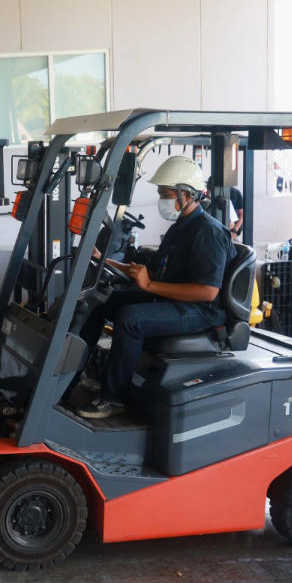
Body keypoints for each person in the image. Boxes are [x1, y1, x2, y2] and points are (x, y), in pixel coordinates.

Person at [74, 156, 237, 419]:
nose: (162, 199)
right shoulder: (181, 228)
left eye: (166, 193)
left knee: (131, 319)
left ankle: (113, 398)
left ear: (187, 193)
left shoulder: (208, 232)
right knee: (101, 300)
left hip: (201, 310)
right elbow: (147, 274)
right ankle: (74, 374)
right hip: (175, 300)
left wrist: (149, 285)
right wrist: (102, 260)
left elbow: (208, 291)